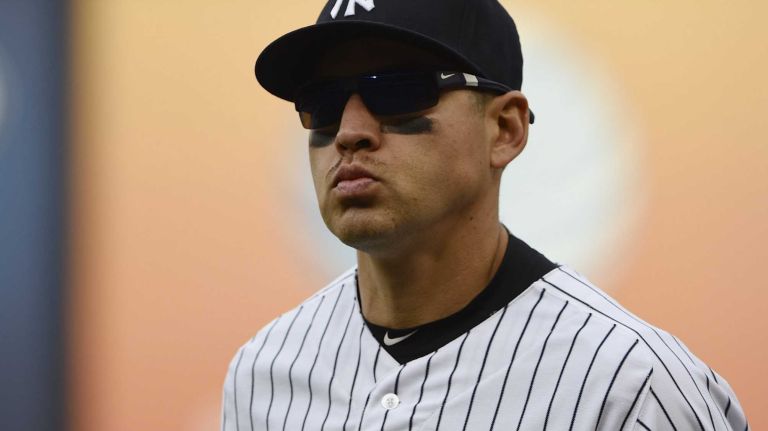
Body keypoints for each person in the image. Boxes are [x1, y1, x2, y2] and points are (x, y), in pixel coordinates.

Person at [221, 0, 748, 430]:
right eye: (323, 102)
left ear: (505, 130)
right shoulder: (262, 374)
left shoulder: (632, 388)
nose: (349, 131)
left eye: (398, 89)